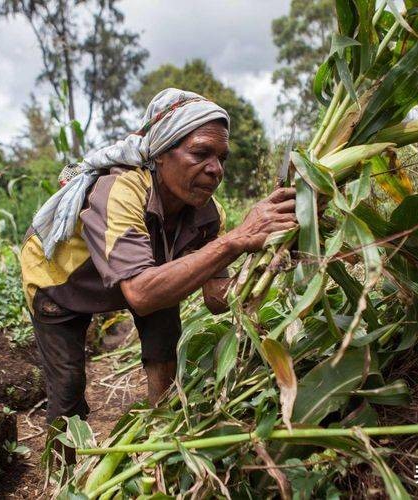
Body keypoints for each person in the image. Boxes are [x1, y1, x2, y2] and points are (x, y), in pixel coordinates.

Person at [20, 88, 297, 439]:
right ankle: (62, 471)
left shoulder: (209, 215)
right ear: (161, 154)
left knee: (165, 346)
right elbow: (140, 293)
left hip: (146, 274)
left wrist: (269, 259)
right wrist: (237, 240)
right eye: (200, 153)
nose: (215, 170)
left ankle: (161, 439)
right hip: (61, 281)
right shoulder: (120, 190)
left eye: (222, 158)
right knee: (68, 387)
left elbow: (216, 299)